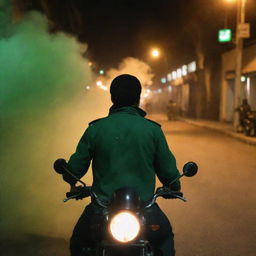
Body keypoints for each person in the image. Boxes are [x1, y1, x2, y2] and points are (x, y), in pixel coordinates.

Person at [62, 74, 181, 256]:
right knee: (164, 238)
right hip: (146, 209)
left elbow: (74, 170)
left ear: (112, 97)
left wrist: (70, 178)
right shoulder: (152, 130)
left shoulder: (96, 129)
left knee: (79, 241)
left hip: (100, 210)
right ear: (138, 98)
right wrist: (174, 186)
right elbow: (168, 171)